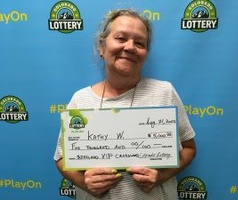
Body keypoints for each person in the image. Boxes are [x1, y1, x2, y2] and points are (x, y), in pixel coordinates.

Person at [54, 9, 196, 200]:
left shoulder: (164, 93)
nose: (130, 47)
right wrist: (83, 182)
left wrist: (161, 175)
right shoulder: (80, 100)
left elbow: (189, 148)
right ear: (102, 46)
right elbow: (61, 158)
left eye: (139, 43)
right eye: (121, 38)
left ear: (145, 53)